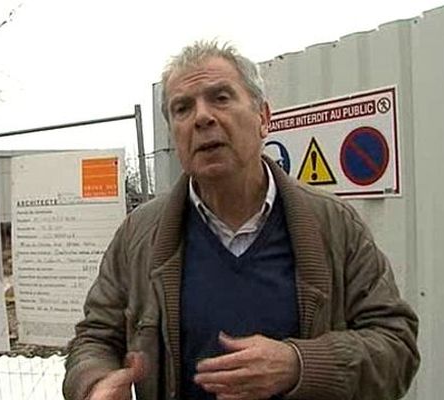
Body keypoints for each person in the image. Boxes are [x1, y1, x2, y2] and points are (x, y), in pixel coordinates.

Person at [63, 40, 419, 400]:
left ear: (263, 118)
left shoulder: (334, 224)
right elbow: (95, 339)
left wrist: (299, 365)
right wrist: (95, 383)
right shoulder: (139, 235)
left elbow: (395, 344)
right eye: (182, 108)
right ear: (174, 132)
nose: (202, 117)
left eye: (221, 97)